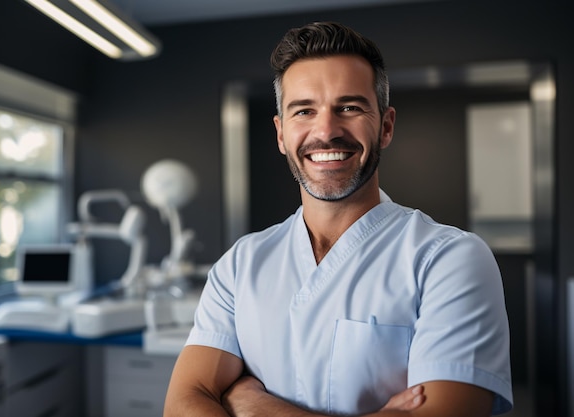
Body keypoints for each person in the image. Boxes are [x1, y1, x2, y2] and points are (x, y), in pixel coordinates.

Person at [164, 21, 513, 416]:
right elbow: (183, 404)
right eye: (304, 111)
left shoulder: (450, 260)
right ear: (281, 134)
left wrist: (256, 406)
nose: (326, 131)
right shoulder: (241, 265)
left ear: (385, 126)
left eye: (349, 107)